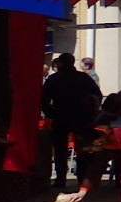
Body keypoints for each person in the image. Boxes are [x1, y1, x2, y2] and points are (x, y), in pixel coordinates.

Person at [41, 52, 103, 191]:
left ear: (61, 63)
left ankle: (60, 179)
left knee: (60, 150)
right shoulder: (83, 77)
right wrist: (91, 111)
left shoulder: (54, 78)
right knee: (83, 150)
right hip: (81, 117)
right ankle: (82, 179)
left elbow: (44, 100)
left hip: (61, 116)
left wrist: (51, 114)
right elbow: (97, 95)